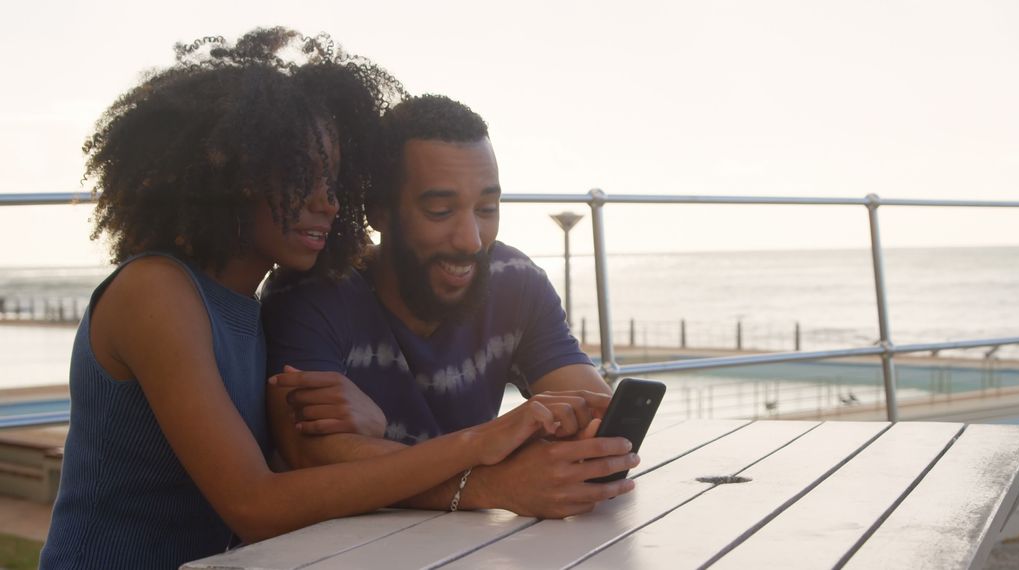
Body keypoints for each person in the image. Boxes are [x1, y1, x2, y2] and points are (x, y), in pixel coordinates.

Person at [40, 30, 635, 570]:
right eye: (305, 177)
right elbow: (257, 501)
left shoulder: (245, 305)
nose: (330, 202)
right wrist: (481, 451)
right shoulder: (157, 292)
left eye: (336, 181)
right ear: (230, 176)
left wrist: (379, 426)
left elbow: (287, 468)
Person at [261, 94, 636, 519]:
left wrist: (570, 438)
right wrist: (493, 483)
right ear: (379, 210)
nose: (471, 241)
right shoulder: (312, 293)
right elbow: (313, 457)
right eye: (440, 211)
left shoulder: (515, 281)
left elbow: (597, 426)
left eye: (487, 209)